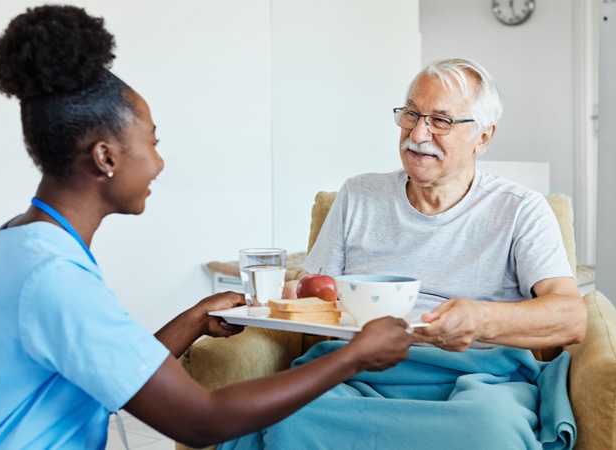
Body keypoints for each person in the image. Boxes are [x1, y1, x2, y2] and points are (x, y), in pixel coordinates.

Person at [0, 5, 414, 449]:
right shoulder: (56, 278)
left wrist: (196, 318)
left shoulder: (27, 242)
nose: (159, 163)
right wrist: (355, 356)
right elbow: (201, 421)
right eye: (152, 142)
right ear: (106, 157)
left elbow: (126, 368)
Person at [224, 58, 587, 449]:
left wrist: (481, 319)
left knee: (486, 429)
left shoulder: (521, 208)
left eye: (441, 121)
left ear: (483, 137)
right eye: (411, 114)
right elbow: (317, 292)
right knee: (290, 417)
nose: (417, 133)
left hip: (479, 378)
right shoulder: (359, 195)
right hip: (357, 371)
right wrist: (280, 295)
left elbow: (571, 317)